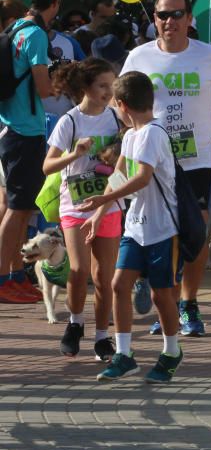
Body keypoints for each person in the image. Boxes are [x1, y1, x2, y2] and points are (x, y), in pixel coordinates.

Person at [121, 0, 211, 335]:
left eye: (176, 15)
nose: (169, 21)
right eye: (162, 15)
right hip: (153, 163)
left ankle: (189, 304)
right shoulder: (138, 57)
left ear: (190, 19)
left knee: (195, 234)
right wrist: (132, 139)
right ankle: (167, 303)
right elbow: (121, 102)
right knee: (161, 234)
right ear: (154, 18)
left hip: (197, 160)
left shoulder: (208, 56)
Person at [81, 72, 184, 383]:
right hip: (136, 228)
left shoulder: (153, 133)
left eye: (115, 104)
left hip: (163, 229)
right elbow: (120, 174)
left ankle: (171, 352)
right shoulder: (129, 136)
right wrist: (100, 213)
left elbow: (142, 177)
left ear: (122, 104)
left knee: (161, 296)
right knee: (118, 285)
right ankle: (125, 355)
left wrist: (107, 197)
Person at [43, 58, 123, 359]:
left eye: (112, 85)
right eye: (103, 85)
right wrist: (74, 154)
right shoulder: (71, 121)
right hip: (75, 205)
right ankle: (76, 323)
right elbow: (48, 164)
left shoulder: (116, 118)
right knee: (78, 270)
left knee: (105, 276)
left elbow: (125, 159)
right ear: (85, 87)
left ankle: (102, 337)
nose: (108, 91)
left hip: (109, 204)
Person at [0, 0, 60, 304]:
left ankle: (13, 275)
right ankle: (3, 278)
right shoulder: (35, 34)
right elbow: (42, 87)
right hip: (24, 130)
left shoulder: (15, 28)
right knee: (16, 209)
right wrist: (64, 82)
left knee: (21, 209)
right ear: (56, 3)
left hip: (11, 126)